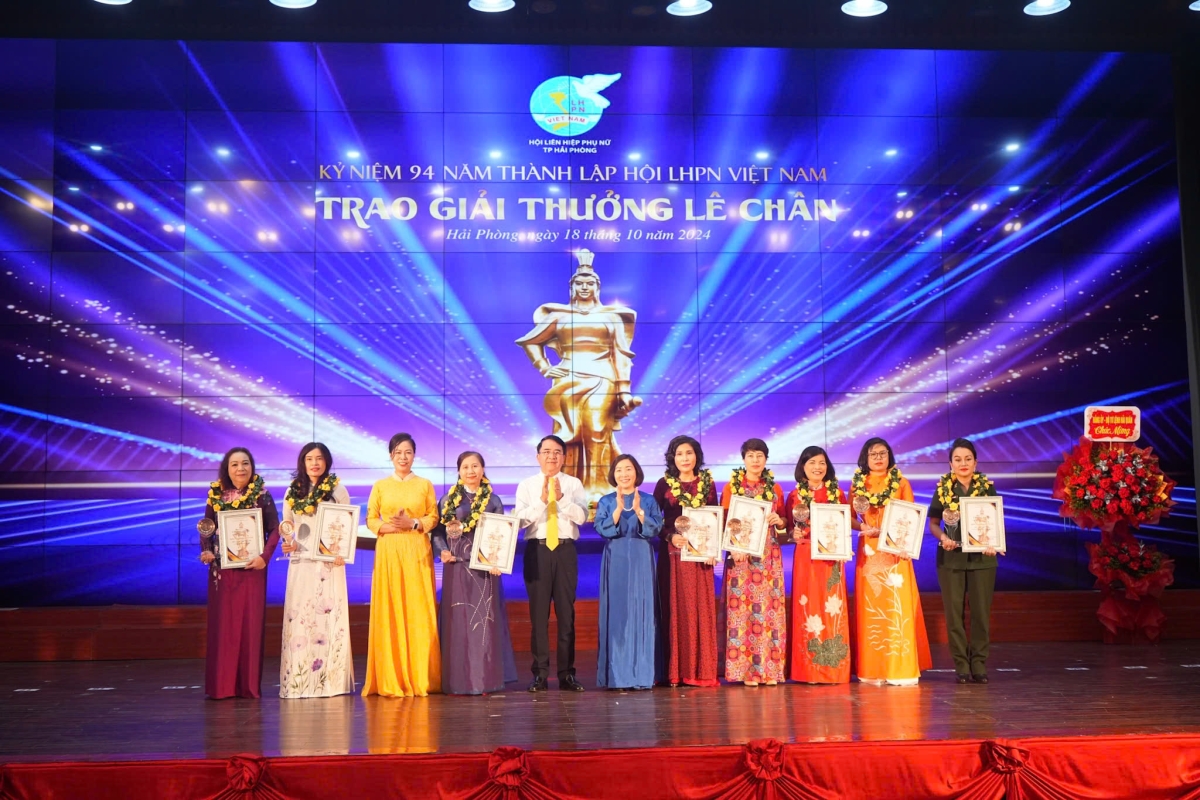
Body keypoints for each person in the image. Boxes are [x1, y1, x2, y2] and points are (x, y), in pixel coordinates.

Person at [516, 248, 641, 497]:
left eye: (589, 283)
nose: (584, 287)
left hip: (602, 377)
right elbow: (530, 342)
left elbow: (621, 354)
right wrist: (544, 366)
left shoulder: (611, 317)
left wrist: (624, 390)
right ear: (572, 287)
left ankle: (599, 488)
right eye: (580, 283)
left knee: (597, 431)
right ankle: (567, 489)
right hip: (566, 380)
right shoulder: (560, 317)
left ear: (597, 287)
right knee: (566, 437)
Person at [432, 451, 518, 696]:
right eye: (466, 467)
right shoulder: (448, 500)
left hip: (484, 570)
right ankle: (457, 680)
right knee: (458, 621)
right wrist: (443, 551)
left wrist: (498, 561)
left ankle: (484, 679)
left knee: (484, 623)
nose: (471, 471)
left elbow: (501, 533)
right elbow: (438, 533)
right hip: (456, 568)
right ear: (459, 471)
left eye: (475, 466)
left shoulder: (493, 500)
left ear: (483, 469)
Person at [362, 433, 440, 697]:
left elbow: (433, 517)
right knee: (391, 607)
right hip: (389, 551)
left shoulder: (425, 484)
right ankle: (391, 676)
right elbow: (371, 519)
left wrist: (413, 524)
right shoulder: (380, 486)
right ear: (391, 456)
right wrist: (392, 527)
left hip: (417, 550)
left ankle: (421, 676)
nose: (403, 457)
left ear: (414, 455)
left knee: (418, 609)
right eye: (398, 452)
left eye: (408, 452)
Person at [851, 437, 932, 686]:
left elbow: (910, 516)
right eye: (873, 454)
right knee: (872, 606)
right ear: (865, 458)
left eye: (882, 453)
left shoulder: (901, 483)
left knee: (897, 605)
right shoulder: (857, 484)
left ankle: (901, 668)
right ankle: (872, 669)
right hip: (869, 550)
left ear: (889, 456)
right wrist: (862, 526)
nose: (878, 458)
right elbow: (848, 517)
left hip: (896, 551)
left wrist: (904, 543)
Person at [199, 447, 279, 699]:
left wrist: (264, 557)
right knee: (224, 627)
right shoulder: (215, 495)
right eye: (234, 464)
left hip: (252, 569)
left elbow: (275, 529)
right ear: (227, 468)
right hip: (223, 571)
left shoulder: (262, 495)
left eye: (245, 463)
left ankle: (248, 686)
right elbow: (206, 527)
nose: (240, 469)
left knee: (250, 627)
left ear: (252, 467)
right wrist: (207, 550)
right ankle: (222, 687)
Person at [278, 442, 354, 699]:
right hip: (301, 560)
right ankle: (299, 683)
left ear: (327, 462)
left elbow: (346, 526)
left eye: (319, 458)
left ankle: (330, 682)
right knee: (302, 617)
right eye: (309, 458)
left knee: (328, 616)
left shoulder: (338, 490)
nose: (314, 463)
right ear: (303, 462)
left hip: (329, 562)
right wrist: (287, 541)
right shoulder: (293, 490)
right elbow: (287, 524)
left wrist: (342, 552)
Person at [515, 434, 589, 692]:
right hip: (537, 550)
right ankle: (540, 674)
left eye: (557, 452)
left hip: (565, 551)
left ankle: (567, 674)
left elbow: (582, 517)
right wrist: (543, 500)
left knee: (566, 615)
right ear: (538, 456)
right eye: (546, 451)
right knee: (539, 616)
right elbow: (520, 521)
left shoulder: (574, 484)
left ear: (564, 457)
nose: (552, 456)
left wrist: (561, 498)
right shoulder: (526, 485)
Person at [927, 437, 1001, 685]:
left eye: (968, 459)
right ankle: (961, 665)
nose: (963, 463)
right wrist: (943, 538)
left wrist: (993, 543)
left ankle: (979, 664)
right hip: (951, 559)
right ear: (950, 464)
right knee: (954, 614)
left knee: (981, 613)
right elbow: (933, 524)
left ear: (976, 462)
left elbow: (994, 523)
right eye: (957, 459)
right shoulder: (943, 489)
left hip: (983, 560)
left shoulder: (987, 487)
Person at [653, 435, 720, 688]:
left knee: (700, 610)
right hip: (673, 556)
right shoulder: (664, 484)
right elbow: (653, 521)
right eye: (679, 454)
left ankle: (700, 671)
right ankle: (675, 672)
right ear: (673, 458)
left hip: (700, 556)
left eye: (689, 453)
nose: (684, 458)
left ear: (697, 456)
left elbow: (715, 519)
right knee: (675, 610)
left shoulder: (707, 483)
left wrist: (712, 548)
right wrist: (669, 536)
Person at [721, 438, 788, 687]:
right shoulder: (731, 487)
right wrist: (733, 547)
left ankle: (771, 671)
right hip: (742, 556)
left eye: (760, 455)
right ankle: (746, 671)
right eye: (750, 455)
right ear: (743, 459)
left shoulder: (775, 488)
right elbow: (726, 522)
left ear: (766, 459)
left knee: (770, 612)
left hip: (769, 556)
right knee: (743, 613)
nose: (755, 460)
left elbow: (784, 522)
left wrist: (779, 521)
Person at [594, 454, 663, 690]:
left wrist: (640, 511)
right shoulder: (606, 501)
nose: (624, 474)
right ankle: (617, 676)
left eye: (628, 469)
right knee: (618, 613)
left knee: (642, 611)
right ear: (613, 474)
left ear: (636, 472)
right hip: (616, 558)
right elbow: (602, 529)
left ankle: (642, 675)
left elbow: (655, 528)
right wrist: (617, 510)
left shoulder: (649, 500)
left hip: (642, 557)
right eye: (619, 470)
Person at [786, 446, 851, 684]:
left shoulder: (838, 493)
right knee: (808, 606)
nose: (817, 467)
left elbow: (844, 525)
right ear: (803, 467)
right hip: (806, 557)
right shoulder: (794, 496)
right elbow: (788, 529)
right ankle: (809, 670)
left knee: (832, 607)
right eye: (812, 462)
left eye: (822, 462)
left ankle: (833, 669)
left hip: (831, 558)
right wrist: (792, 533)